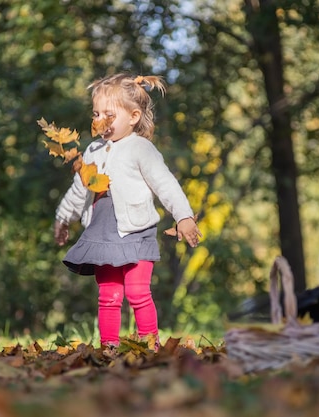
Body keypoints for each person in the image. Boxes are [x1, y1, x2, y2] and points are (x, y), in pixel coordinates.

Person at [53, 73, 201, 350]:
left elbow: (165, 183)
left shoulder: (141, 149)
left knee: (137, 292)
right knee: (108, 294)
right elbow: (78, 189)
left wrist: (183, 216)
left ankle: (150, 345)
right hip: (101, 231)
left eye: (109, 115)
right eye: (96, 114)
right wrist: (64, 217)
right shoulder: (93, 150)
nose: (100, 121)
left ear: (133, 116)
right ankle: (109, 346)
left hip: (136, 229)